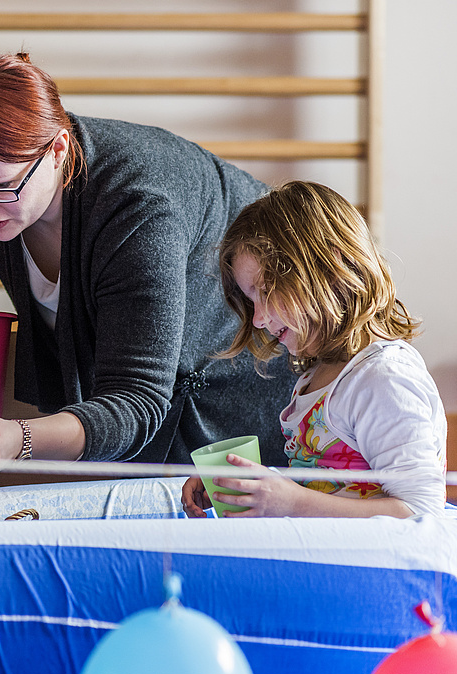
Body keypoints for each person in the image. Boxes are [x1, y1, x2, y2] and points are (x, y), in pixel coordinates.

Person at [0, 51, 296, 520]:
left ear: (58, 150)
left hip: (246, 369)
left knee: (219, 531)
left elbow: (137, 399)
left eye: (1, 188)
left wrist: (23, 437)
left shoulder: (137, 208)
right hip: (152, 397)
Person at [181, 181, 446, 518]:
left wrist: (292, 502)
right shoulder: (318, 376)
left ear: (331, 268)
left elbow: (421, 511)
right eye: (251, 301)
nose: (258, 319)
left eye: (266, 290)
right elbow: (328, 487)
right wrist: (256, 487)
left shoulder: (383, 378)